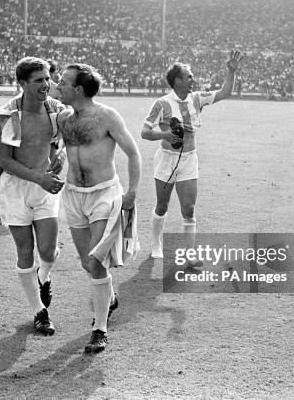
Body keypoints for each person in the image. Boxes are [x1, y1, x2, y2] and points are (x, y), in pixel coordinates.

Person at [56, 63, 141, 353]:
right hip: (73, 195)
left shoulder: (106, 116)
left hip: (104, 195)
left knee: (96, 263)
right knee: (86, 263)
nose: (59, 84)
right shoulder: (64, 117)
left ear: (78, 89)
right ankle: (110, 298)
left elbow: (133, 152)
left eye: (64, 82)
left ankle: (100, 330)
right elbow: (58, 149)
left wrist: (131, 192)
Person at [141, 50, 244, 262]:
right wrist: (165, 134)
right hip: (167, 159)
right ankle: (156, 244)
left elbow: (225, 92)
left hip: (189, 159)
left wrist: (231, 71)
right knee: (162, 205)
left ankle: (189, 255)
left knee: (188, 208)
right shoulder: (162, 104)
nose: (192, 79)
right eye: (189, 76)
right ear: (177, 80)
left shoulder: (197, 99)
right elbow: (145, 132)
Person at [0, 57, 67, 335]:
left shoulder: (56, 109)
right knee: (25, 251)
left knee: (47, 251)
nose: (46, 84)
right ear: (22, 83)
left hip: (44, 184)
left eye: (47, 78)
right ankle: (39, 312)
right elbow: (7, 161)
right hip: (16, 188)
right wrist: (41, 178)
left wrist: (57, 159)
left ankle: (43, 277)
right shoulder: (8, 115)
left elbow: (61, 144)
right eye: (39, 80)